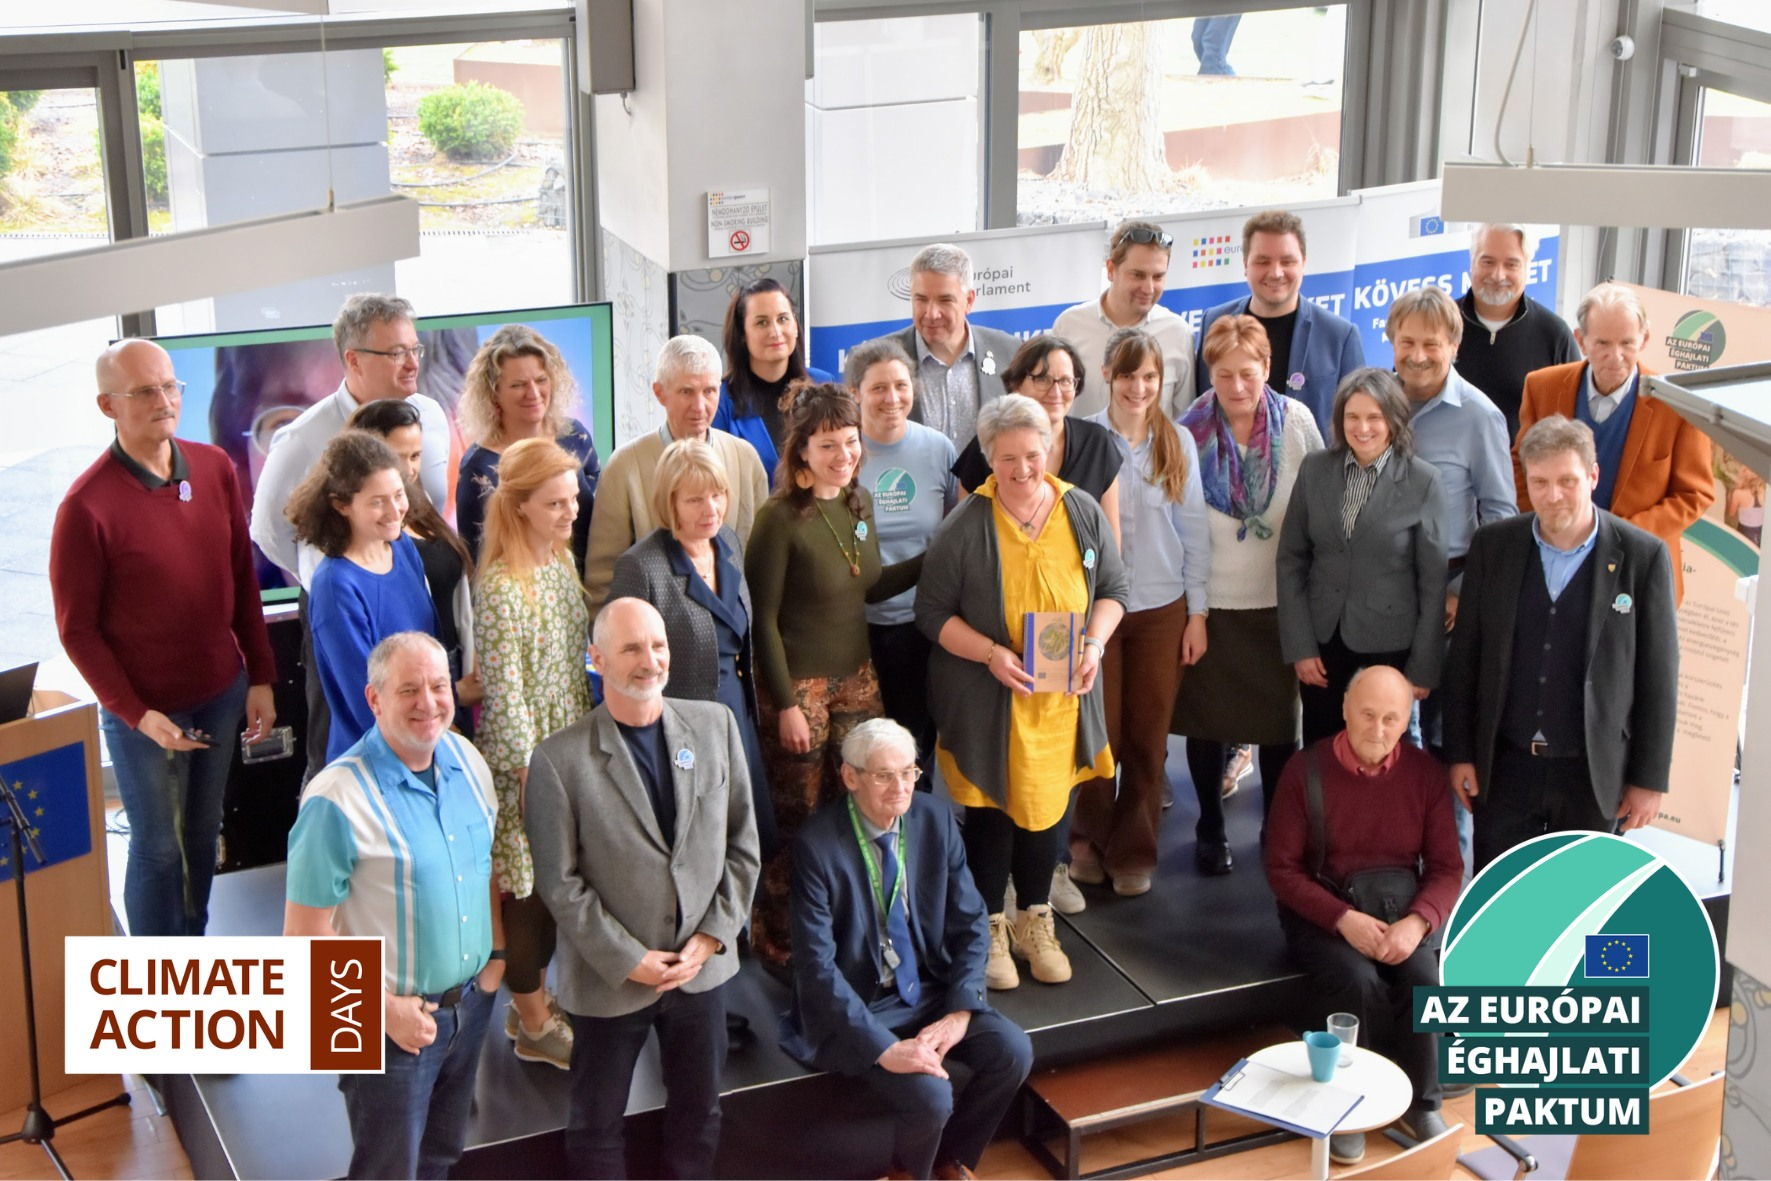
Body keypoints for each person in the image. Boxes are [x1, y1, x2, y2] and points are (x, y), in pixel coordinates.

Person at [524, 598, 760, 1180]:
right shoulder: (557, 761)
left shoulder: (715, 726)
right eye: (631, 648)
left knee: (699, 1115)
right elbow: (559, 883)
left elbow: (743, 845)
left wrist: (712, 937)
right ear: (597, 659)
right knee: (596, 1126)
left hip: (699, 969)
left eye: (657, 645)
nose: (649, 660)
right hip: (612, 979)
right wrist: (630, 959)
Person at [50, 339, 277, 938]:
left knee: (202, 834)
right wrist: (135, 714)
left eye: (170, 386)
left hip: (220, 693)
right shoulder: (85, 507)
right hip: (145, 711)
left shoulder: (214, 467)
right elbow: (77, 630)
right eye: (145, 391)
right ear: (108, 406)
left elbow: (241, 577)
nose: (164, 400)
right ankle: (155, 970)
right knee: (156, 847)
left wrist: (260, 675)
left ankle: (190, 947)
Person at [916, 394, 1128, 991]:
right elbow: (931, 614)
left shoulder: (1081, 510)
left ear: (1049, 449)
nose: (1022, 468)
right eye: (1007, 457)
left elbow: (1113, 590)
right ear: (988, 458)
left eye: (1032, 454)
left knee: (1047, 814)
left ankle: (1036, 920)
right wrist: (992, 654)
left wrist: (1093, 646)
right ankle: (988, 930)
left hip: (1062, 702)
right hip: (990, 701)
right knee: (992, 817)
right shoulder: (964, 527)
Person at [284, 632, 500, 1181]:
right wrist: (383, 1012)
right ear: (374, 699)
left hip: (468, 1009)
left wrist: (495, 958)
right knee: (388, 1172)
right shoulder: (334, 799)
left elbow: (484, 869)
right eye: (408, 690)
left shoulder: (468, 761)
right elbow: (302, 941)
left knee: (440, 1159)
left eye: (438, 686)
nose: (428, 702)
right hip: (385, 1028)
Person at [781, 719, 1034, 1181]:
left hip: (927, 987)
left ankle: (948, 1160)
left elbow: (971, 922)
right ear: (850, 777)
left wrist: (961, 1010)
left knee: (1013, 1051)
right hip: (862, 1003)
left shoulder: (934, 819)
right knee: (932, 1098)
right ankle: (906, 1173)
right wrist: (883, 1049)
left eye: (908, 773)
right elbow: (817, 969)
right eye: (884, 775)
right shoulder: (816, 845)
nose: (900, 788)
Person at [1444, 416, 1679, 872]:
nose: (1553, 496)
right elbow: (1465, 660)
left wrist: (1649, 779)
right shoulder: (1493, 546)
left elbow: (1659, 678)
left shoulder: (1643, 557)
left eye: (1567, 481)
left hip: (1592, 776)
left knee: (1583, 898)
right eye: (1540, 482)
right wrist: (1460, 753)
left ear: (1593, 476)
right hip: (1506, 769)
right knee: (1504, 897)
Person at [744, 384, 922, 969]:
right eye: (828, 446)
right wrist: (787, 705)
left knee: (859, 803)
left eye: (850, 442)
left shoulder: (858, 502)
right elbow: (763, 621)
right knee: (797, 814)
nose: (844, 455)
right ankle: (780, 936)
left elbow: (866, 582)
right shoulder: (777, 521)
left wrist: (935, 557)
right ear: (801, 451)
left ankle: (848, 922)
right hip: (799, 687)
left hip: (858, 677)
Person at [1263, 666, 1461, 1167]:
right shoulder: (1303, 771)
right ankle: (1350, 1108)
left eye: (1391, 718)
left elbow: (1446, 868)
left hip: (1398, 911)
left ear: (1407, 719)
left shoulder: (1425, 775)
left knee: (1423, 976)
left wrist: (1418, 923)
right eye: (1367, 714)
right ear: (1346, 710)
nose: (1377, 729)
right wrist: (1342, 919)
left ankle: (1422, 1104)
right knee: (1357, 980)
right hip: (1322, 912)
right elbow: (1281, 870)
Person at [248, 294, 450, 778]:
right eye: (395, 352)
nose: (411, 363)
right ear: (353, 359)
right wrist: (332, 574)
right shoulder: (303, 437)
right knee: (346, 740)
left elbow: (431, 504)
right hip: (344, 600)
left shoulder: (429, 414)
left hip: (404, 575)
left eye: (415, 349)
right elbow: (268, 530)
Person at [1173, 316, 1325, 876]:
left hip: (1281, 602)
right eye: (1224, 374)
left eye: (1248, 373)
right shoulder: (1185, 433)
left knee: (1280, 727)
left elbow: (1321, 503)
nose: (1236, 386)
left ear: (1267, 368)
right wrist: (1193, 610)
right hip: (1211, 604)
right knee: (1207, 723)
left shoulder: (1298, 422)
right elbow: (1175, 526)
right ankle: (1210, 827)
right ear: (1208, 372)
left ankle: (1276, 829)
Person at [1070, 329, 1211, 897]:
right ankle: (1087, 842)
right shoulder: (1082, 438)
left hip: (1160, 610)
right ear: (1107, 374)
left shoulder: (1179, 442)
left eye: (1149, 376)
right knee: (1098, 734)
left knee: (1149, 738)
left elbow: (1194, 531)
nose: (1139, 387)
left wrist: (1197, 613)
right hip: (1096, 614)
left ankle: (1134, 851)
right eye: (1127, 375)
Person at [473, 437, 595, 1073]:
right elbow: (506, 693)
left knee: (555, 888)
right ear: (519, 506)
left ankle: (533, 1007)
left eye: (572, 499)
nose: (570, 512)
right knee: (525, 894)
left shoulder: (560, 561)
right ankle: (534, 1022)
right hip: (527, 762)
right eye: (555, 503)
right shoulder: (500, 587)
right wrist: (530, 776)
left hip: (567, 744)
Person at [609, 438, 775, 856]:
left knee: (745, 839)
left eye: (718, 494)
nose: (711, 509)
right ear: (670, 502)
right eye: (695, 499)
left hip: (736, 710)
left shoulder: (729, 543)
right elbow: (623, 662)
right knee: (701, 844)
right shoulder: (642, 565)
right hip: (679, 726)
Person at [1513, 282, 1714, 605]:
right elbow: (1519, 464)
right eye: (1603, 343)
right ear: (1581, 340)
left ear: (1644, 339)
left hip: (1638, 570)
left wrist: (1619, 537)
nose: (1615, 356)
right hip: (1551, 558)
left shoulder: (1679, 406)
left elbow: (1695, 494)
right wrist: (1548, 523)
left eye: (1627, 343)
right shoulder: (1542, 387)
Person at [1276, 369, 1447, 747]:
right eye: (1352, 416)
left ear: (1394, 420)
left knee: (1383, 751)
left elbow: (1433, 584)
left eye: (1374, 417)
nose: (1362, 427)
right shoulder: (1314, 469)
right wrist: (1301, 645)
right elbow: (1291, 560)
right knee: (1322, 747)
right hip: (1322, 641)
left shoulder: (1424, 482)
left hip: (1390, 644)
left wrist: (1422, 666)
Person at [585, 334, 770, 613]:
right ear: (660, 393)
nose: (700, 406)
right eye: (686, 392)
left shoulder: (745, 459)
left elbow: (759, 564)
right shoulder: (625, 466)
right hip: (654, 634)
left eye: (709, 391)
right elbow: (603, 580)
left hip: (734, 631)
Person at [286, 431, 440, 762]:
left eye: (398, 495)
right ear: (341, 505)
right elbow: (365, 699)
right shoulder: (335, 586)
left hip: (426, 737)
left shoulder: (403, 547)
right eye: (377, 501)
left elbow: (432, 649)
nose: (395, 511)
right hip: (378, 756)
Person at [848, 340, 959, 768]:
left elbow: (953, 533)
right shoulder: (842, 452)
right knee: (862, 745)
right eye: (878, 388)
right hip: (856, 628)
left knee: (916, 743)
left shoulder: (939, 449)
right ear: (855, 392)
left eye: (900, 385)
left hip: (923, 625)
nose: (892, 398)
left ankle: (915, 807)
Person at [349, 398, 482, 736]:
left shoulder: (420, 506)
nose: (409, 469)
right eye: (397, 457)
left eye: (415, 456)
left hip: (448, 678)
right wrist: (446, 694)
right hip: (414, 700)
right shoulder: (368, 540)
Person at [1194, 210, 1365, 434]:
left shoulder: (1340, 336)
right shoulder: (1214, 322)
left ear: (1303, 264)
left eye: (1287, 261)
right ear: (1245, 264)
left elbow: (1360, 421)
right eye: (1263, 261)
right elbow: (1201, 410)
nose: (1275, 273)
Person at [455, 324, 602, 575]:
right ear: (494, 393)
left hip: (592, 584)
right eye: (518, 385)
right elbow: (479, 563)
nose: (533, 393)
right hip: (525, 594)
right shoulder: (478, 469)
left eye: (541, 380)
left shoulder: (574, 436)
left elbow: (597, 512)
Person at [952, 335, 1124, 547]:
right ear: (1016, 384)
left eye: (1065, 381)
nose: (1056, 392)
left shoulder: (1096, 443)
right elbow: (964, 540)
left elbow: (1111, 544)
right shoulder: (988, 443)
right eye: (1042, 379)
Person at [867, 243, 1021, 449]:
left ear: (969, 301)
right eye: (921, 299)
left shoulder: (1010, 352)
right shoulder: (875, 359)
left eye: (945, 300)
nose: (931, 313)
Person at [1051, 220, 1196, 418]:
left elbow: (1186, 418)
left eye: (1158, 277)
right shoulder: (1069, 326)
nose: (1149, 289)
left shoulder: (1178, 333)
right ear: (1111, 270)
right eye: (1138, 275)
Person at [1454, 223, 1580, 438]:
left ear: (1528, 268)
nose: (1498, 275)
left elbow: (1573, 424)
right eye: (1488, 261)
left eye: (1511, 264)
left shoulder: (1554, 335)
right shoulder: (1438, 323)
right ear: (1471, 262)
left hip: (1522, 460)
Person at [711, 277, 834, 482]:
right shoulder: (720, 400)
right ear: (742, 334)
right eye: (762, 322)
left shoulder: (823, 383)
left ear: (795, 326)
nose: (775, 332)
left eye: (783, 319)